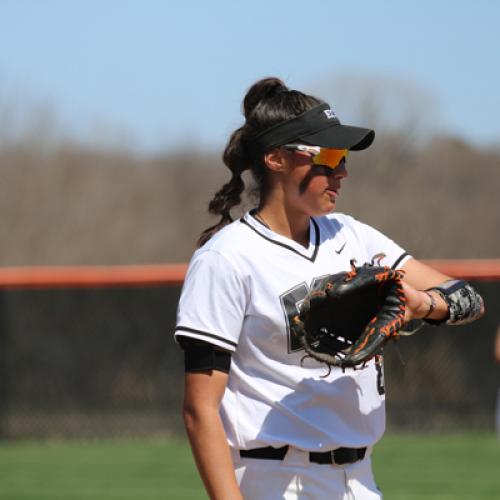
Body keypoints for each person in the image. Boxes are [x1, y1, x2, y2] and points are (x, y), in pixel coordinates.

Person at [174, 77, 485, 500]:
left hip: (359, 480)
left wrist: (424, 305)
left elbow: (468, 299)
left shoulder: (352, 237)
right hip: (274, 480)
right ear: (276, 159)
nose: (342, 172)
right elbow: (200, 410)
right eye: (330, 156)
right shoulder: (227, 257)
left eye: (344, 158)